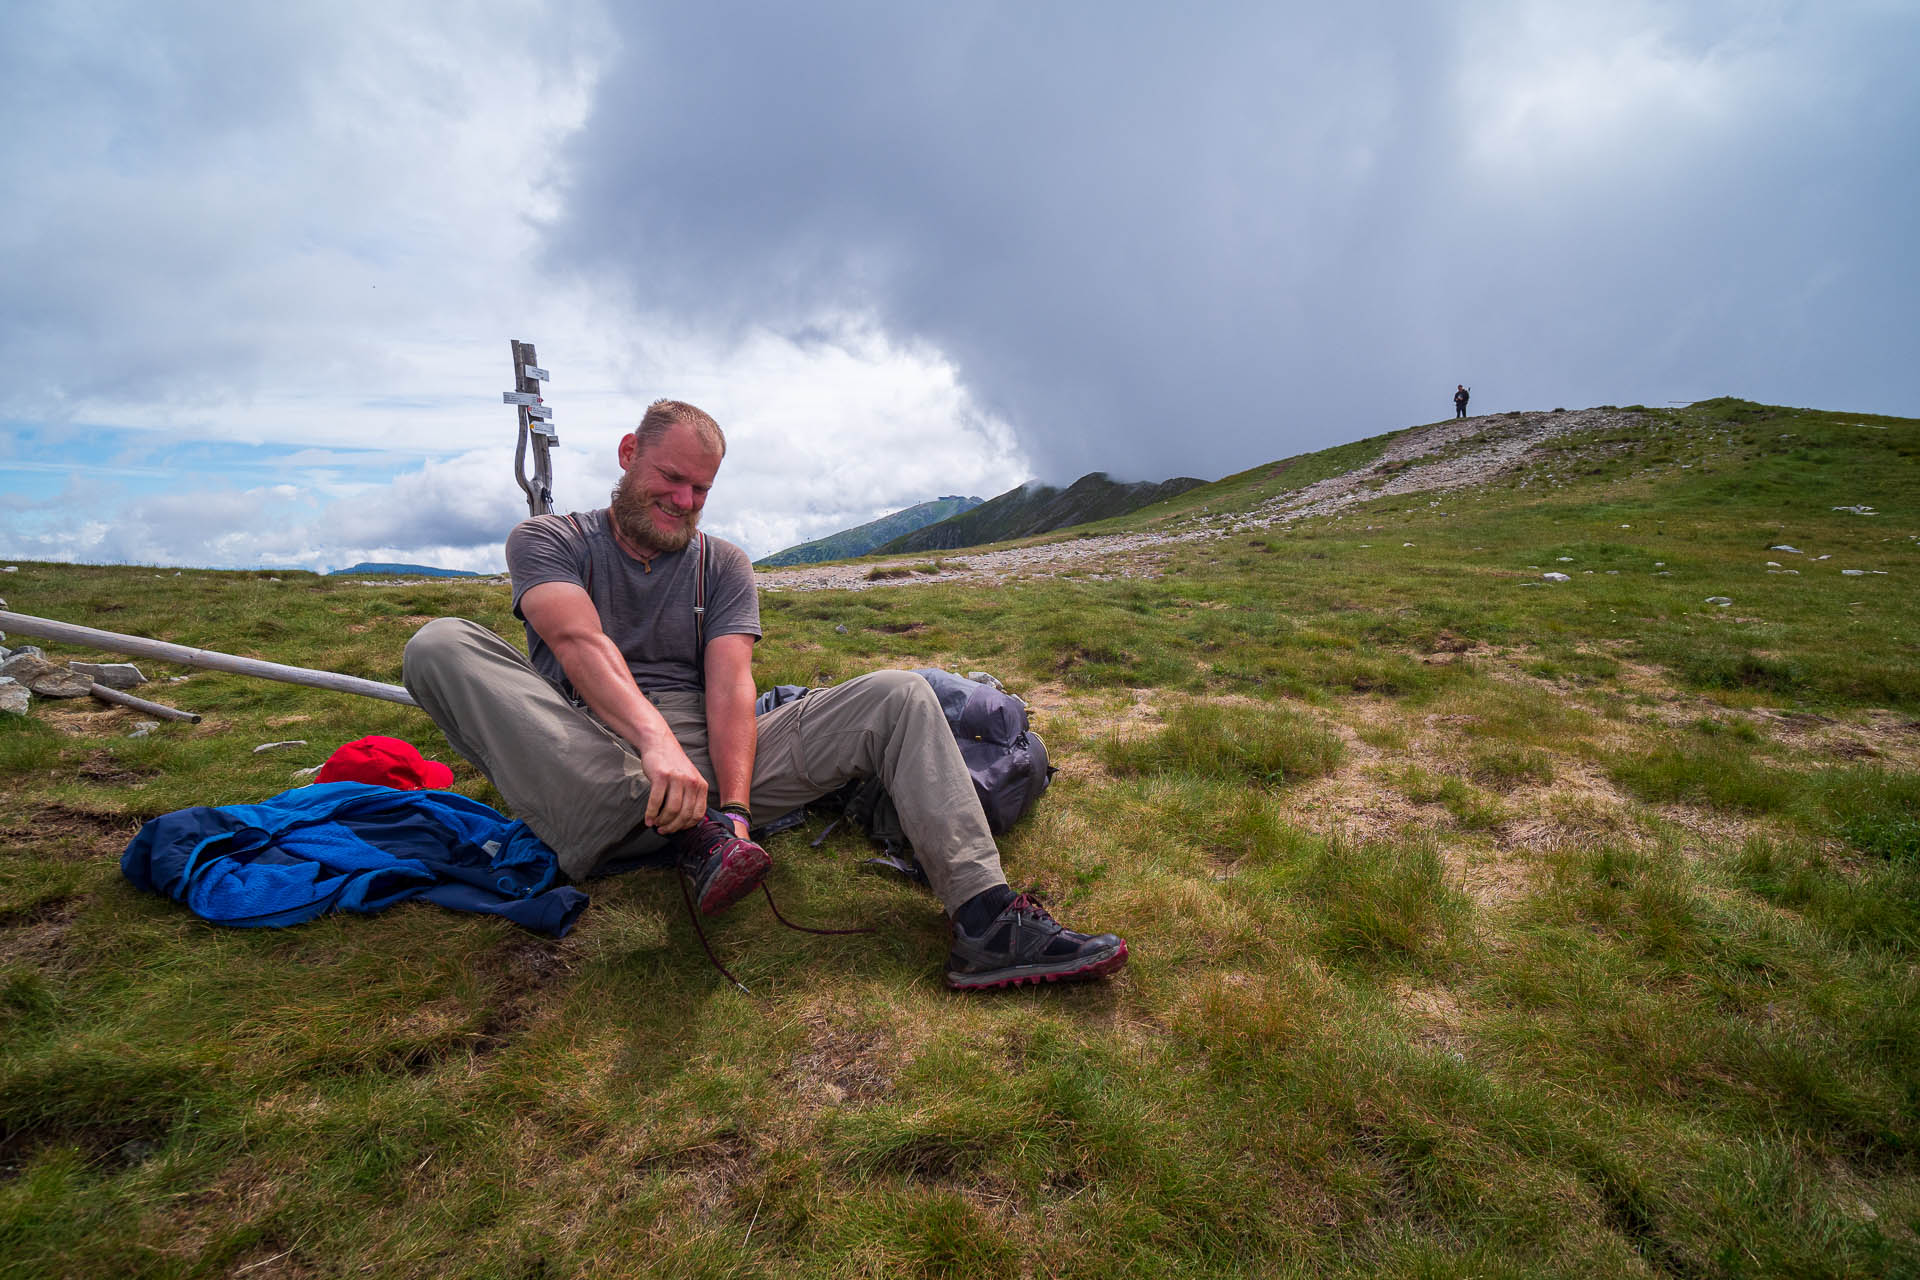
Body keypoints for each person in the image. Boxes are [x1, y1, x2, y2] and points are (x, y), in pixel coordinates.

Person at [402, 399, 1127, 991]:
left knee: (900, 695)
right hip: (590, 762)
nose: (684, 502)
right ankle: (687, 837)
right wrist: (656, 747)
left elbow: (729, 687)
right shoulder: (548, 538)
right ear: (628, 454)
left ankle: (987, 921)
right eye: (671, 478)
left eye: (701, 491)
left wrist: (739, 812)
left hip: (714, 771)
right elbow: (578, 644)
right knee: (438, 645)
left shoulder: (722, 565)